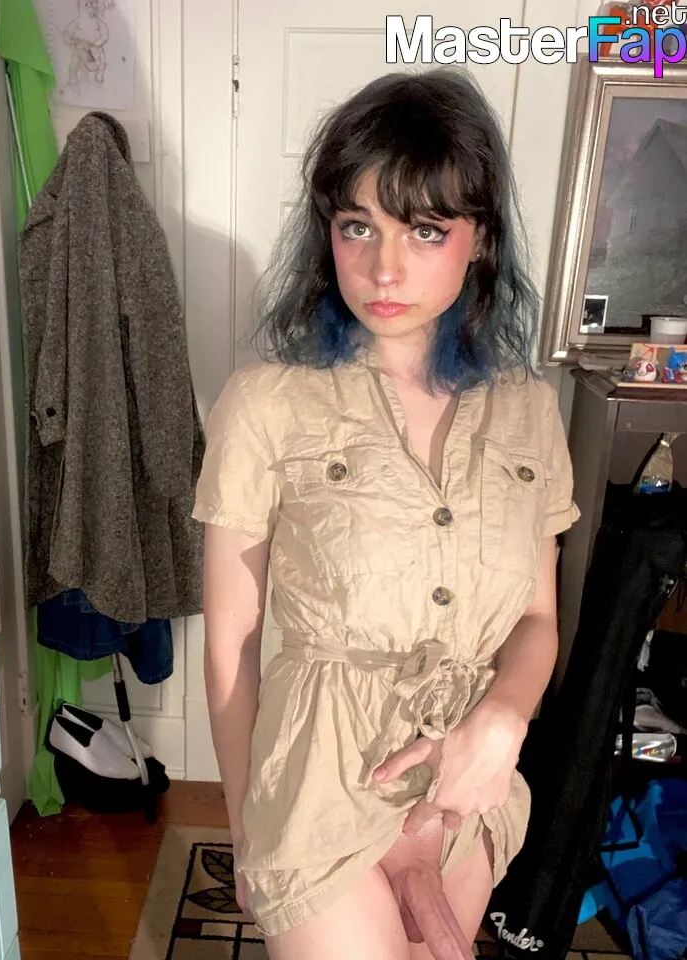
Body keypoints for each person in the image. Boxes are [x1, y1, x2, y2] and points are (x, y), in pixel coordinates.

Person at [191, 68, 580, 960]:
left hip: (464, 781)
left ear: (480, 240)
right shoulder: (268, 402)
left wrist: (502, 720)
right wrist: (247, 828)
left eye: (426, 229)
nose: (384, 267)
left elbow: (536, 620)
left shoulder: (528, 409)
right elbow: (231, 644)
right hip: (318, 781)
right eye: (357, 226)